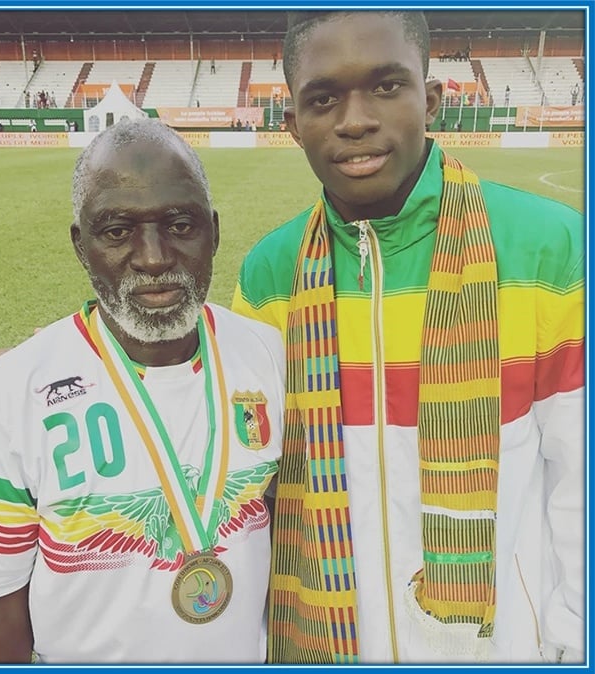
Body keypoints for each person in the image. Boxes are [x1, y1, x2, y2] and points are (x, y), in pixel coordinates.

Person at [231, 10, 584, 665]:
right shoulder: (269, 275)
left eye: (387, 86)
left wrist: (569, 640)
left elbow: (580, 486)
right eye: (324, 98)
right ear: (293, 124)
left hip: (506, 650)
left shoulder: (551, 249)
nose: (355, 119)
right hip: (330, 645)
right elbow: (248, 477)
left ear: (434, 100)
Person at [0, 118, 286, 664]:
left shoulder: (271, 357)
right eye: (117, 231)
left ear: (215, 232)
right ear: (81, 247)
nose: (154, 259)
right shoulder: (7, 395)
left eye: (180, 225)